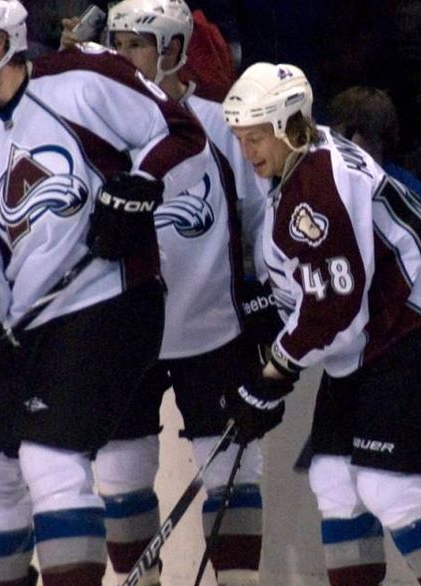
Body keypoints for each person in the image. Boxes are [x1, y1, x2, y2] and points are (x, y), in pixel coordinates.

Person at [0, 0, 214, 583]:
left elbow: (181, 134)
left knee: (50, 459)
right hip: (28, 319)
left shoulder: (84, 77)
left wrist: (139, 186)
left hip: (112, 302)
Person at [223, 62, 421, 586]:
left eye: (255, 138)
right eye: (241, 139)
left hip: (416, 330)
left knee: (389, 488)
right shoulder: (303, 162)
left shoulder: (318, 187)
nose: (248, 152)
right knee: (334, 478)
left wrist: (275, 371)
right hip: (373, 338)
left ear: (291, 126)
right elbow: (316, 298)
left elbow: (336, 314)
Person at [60, 1, 267, 583]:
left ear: (172, 50)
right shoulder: (92, 124)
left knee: (234, 469)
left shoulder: (221, 124)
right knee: (122, 474)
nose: (122, 58)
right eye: (116, 44)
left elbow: (262, 217)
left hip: (211, 330)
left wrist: (266, 291)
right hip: (124, 330)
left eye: (135, 46)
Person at [326, 85, 421, 253]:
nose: (333, 144)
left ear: (362, 136)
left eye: (340, 135)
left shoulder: (417, 197)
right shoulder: (322, 185)